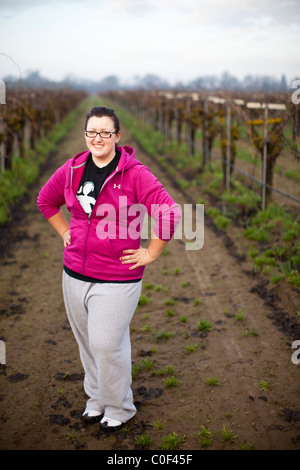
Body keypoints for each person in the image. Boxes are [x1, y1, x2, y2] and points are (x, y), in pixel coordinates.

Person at [37, 106, 181, 431]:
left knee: (106, 343)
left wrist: (152, 252)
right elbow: (45, 201)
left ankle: (119, 407)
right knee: (88, 343)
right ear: (85, 134)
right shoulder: (72, 169)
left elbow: (169, 212)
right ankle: (97, 400)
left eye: (105, 132)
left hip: (117, 277)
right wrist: (64, 232)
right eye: (92, 132)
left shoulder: (135, 174)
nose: (97, 138)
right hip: (73, 273)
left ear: (117, 136)